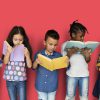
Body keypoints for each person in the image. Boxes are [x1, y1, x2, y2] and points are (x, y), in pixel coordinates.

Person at [61, 20, 91, 100]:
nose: (82, 38)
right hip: (71, 75)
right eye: (81, 36)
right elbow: (64, 63)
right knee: (70, 96)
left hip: (84, 75)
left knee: (84, 96)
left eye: (83, 36)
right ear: (73, 35)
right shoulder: (65, 45)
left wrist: (87, 56)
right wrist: (69, 54)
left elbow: (88, 61)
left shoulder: (85, 46)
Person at [2, 26, 32, 100]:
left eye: (20, 40)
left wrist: (27, 55)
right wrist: (8, 52)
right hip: (10, 80)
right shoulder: (8, 47)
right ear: (11, 38)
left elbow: (29, 65)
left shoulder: (25, 48)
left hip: (21, 80)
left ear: (23, 39)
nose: (18, 42)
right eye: (15, 39)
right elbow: (5, 62)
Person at [33, 30, 61, 100]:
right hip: (41, 86)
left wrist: (66, 62)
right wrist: (36, 62)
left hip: (52, 86)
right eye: (50, 44)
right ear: (45, 42)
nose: (53, 47)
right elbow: (33, 68)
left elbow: (65, 65)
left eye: (55, 45)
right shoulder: (39, 54)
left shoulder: (58, 55)